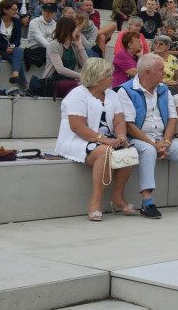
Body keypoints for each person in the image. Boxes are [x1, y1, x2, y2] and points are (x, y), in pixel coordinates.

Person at [118, 54, 178, 218]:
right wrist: (153, 144)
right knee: (149, 150)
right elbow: (129, 125)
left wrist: (165, 142)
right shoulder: (126, 90)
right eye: (161, 69)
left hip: (161, 139)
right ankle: (147, 201)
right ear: (148, 72)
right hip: (137, 139)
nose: (164, 73)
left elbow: (172, 118)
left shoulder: (163, 89)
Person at [54, 58, 136, 221]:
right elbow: (77, 127)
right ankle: (95, 202)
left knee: (128, 152)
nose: (113, 78)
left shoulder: (112, 95)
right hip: (78, 140)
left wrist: (121, 136)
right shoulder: (77, 95)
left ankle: (117, 198)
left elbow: (119, 120)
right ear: (97, 77)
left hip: (105, 139)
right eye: (109, 75)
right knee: (106, 152)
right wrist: (103, 140)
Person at [38, 15, 88, 96]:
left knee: (76, 90)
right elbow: (60, 69)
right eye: (75, 28)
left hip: (71, 82)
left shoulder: (74, 46)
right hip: (54, 82)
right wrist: (83, 77)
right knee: (82, 85)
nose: (77, 30)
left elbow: (86, 65)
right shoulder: (53, 45)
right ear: (68, 29)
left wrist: (80, 46)